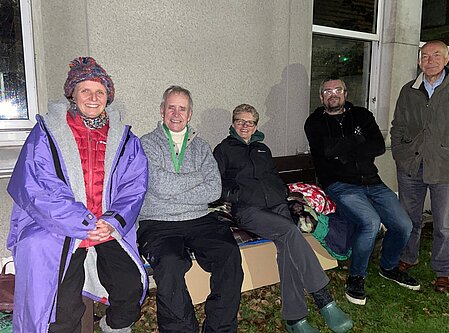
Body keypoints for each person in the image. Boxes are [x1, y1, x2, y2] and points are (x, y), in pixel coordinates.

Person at [7, 57, 149, 333]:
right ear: (72, 93)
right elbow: (38, 188)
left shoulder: (125, 139)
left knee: (131, 288)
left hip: (106, 227)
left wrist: (111, 221)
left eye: (100, 91)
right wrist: (82, 223)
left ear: (108, 97)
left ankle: (113, 327)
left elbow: (134, 185)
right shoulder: (46, 135)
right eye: (86, 90)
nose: (93, 98)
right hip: (58, 229)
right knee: (62, 310)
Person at [213, 104, 353, 333]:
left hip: (277, 205)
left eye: (250, 122)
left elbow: (274, 177)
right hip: (249, 211)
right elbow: (216, 184)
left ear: (256, 126)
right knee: (291, 231)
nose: (244, 126)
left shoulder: (262, 149)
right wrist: (240, 196)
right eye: (240, 121)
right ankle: (324, 299)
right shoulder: (223, 150)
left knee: (288, 247)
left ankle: (295, 320)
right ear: (233, 123)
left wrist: (282, 193)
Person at [304, 77, 420, 306]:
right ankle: (356, 277)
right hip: (339, 184)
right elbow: (327, 151)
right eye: (328, 91)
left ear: (345, 93)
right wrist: (358, 140)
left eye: (338, 90)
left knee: (403, 224)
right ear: (321, 97)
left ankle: (388, 267)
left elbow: (377, 145)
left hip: (372, 182)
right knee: (370, 222)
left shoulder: (362, 115)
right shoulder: (314, 122)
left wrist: (344, 150)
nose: (333, 94)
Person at [137, 86, 243, 333]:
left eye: (182, 108)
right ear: (162, 110)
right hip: (157, 221)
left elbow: (214, 190)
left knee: (228, 254)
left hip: (200, 218)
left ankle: (220, 328)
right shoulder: (145, 144)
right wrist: (197, 178)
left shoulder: (202, 146)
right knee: (171, 263)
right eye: (171, 107)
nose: (176, 113)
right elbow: (159, 185)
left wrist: (175, 190)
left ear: (190, 113)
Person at [391, 40, 449, 293]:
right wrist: (400, 153)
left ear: (448, 58)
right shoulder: (409, 89)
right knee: (409, 219)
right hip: (411, 166)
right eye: (425, 56)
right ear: (419, 61)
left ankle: (443, 271)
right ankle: (408, 257)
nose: (430, 60)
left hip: (446, 167)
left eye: (436, 55)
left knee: (443, 223)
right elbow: (398, 125)